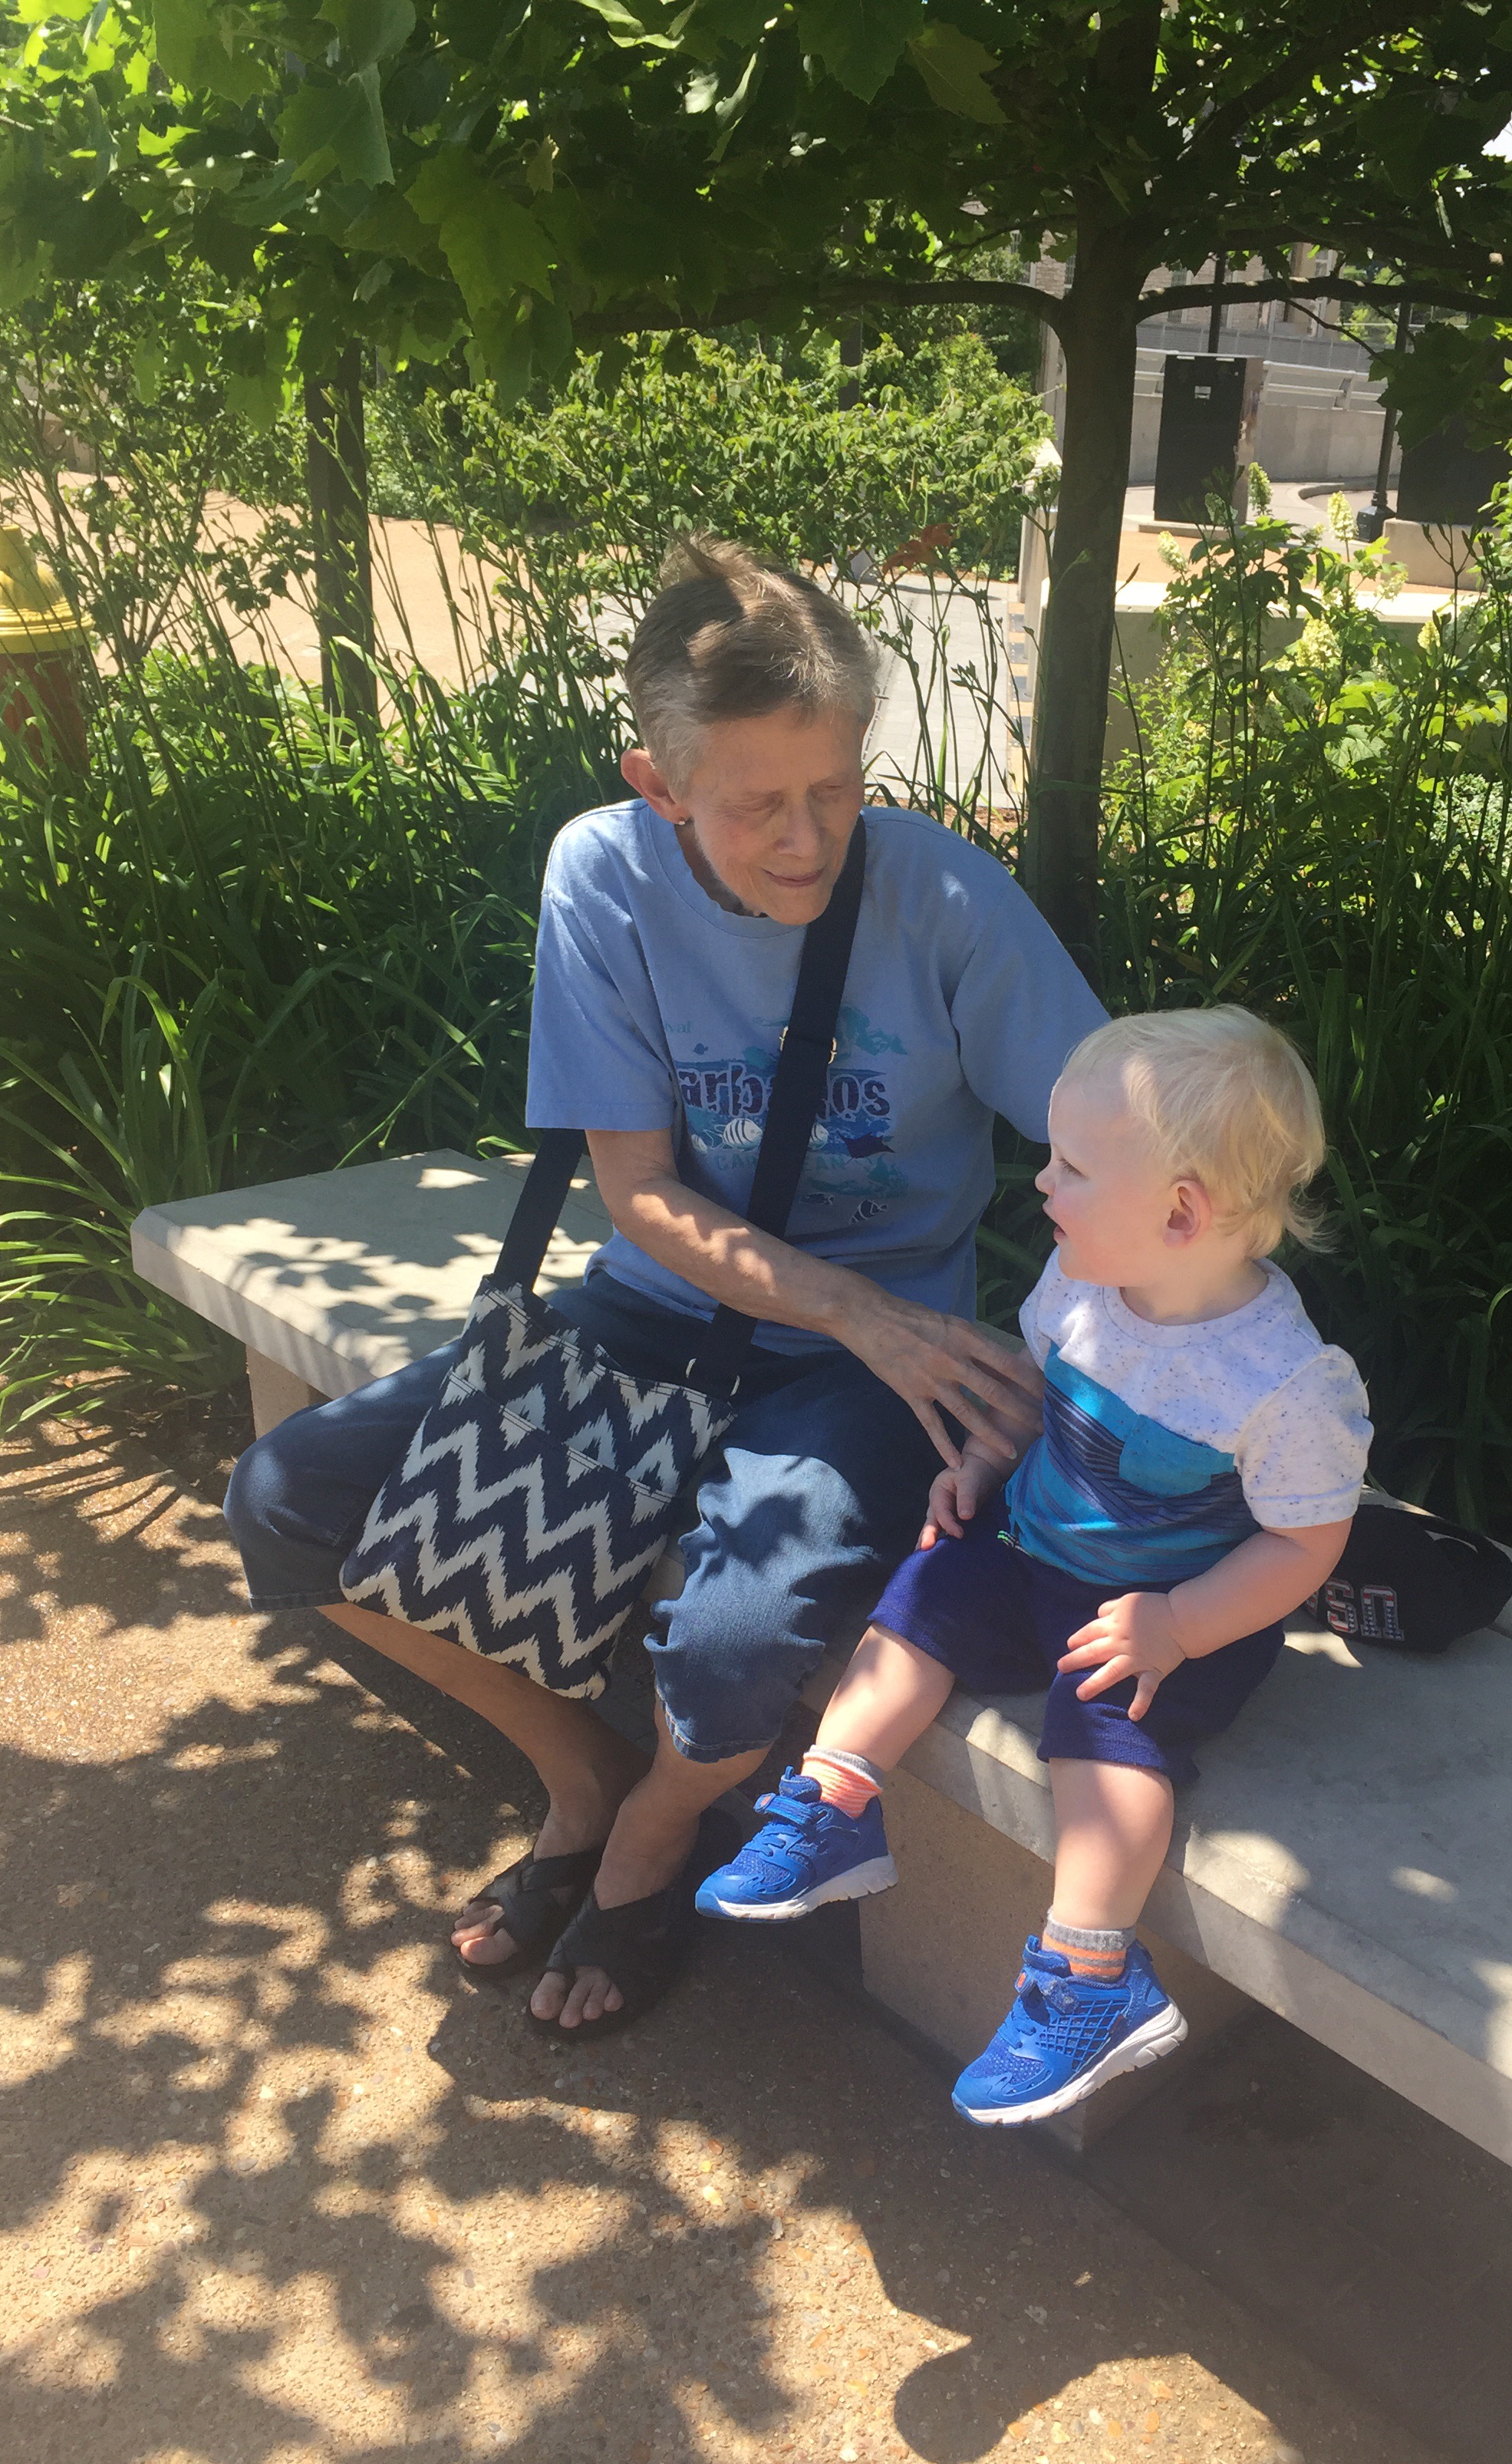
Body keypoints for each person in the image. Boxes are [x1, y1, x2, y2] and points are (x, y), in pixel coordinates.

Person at [223, 536, 1106, 2036]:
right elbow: (637, 1194)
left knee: (738, 1642)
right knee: (287, 1501)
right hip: (671, 1308)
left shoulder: (947, 899)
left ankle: (653, 1824)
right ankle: (580, 1773)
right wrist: (858, 1308)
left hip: (872, 1366)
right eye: (758, 804)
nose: (809, 843)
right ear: (659, 783)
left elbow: (1116, 1139)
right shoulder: (603, 873)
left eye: (837, 789)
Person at [695, 1008, 1372, 2124]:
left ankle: (1093, 1979)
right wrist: (983, 1464)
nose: (1043, 1184)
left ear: (1181, 1213)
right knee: (926, 1590)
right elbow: (1044, 1405)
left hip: (1175, 1613)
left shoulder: (1285, 1383)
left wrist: (1182, 1625)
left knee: (1098, 1719)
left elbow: (1307, 1543)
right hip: (1035, 1551)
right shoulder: (1082, 1283)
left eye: (1073, 1169)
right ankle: (834, 1801)